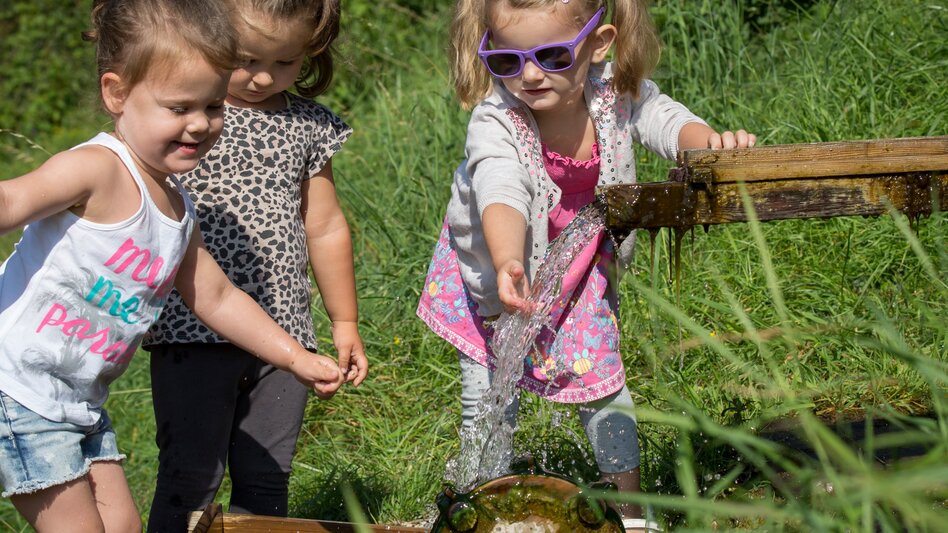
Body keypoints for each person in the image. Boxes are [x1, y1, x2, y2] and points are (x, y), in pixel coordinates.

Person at [0, 0, 347, 531]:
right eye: (179, 107)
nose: (200, 124)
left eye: (213, 106)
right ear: (116, 94)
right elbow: (11, 200)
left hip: (78, 400)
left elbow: (218, 297)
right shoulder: (97, 169)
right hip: (19, 387)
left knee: (125, 527)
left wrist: (295, 356)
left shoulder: (178, 210)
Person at [416, 0, 756, 531]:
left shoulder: (613, 95)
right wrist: (508, 259)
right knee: (488, 400)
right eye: (506, 60)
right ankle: (482, 508)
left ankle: (630, 515)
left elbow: (666, 120)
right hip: (496, 277)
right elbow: (499, 185)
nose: (529, 76)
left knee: (604, 389)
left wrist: (710, 146)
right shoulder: (497, 117)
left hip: (576, 278)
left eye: (551, 56)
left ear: (598, 45)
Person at [142, 0, 368, 530]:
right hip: (190, 328)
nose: (264, 77)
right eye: (246, 60)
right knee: (190, 476)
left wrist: (345, 321)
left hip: (286, 332)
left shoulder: (308, 124)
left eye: (286, 61)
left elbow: (325, 225)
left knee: (267, 478)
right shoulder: (189, 114)